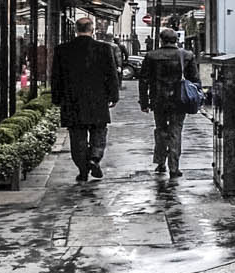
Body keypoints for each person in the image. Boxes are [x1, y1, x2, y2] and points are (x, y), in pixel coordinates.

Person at [51, 15, 120, 181]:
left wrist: (57, 98)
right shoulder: (104, 49)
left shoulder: (62, 49)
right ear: (92, 30)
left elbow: (56, 77)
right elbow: (111, 74)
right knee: (99, 132)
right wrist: (113, 95)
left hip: (72, 100)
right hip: (97, 99)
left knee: (77, 136)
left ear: (76, 30)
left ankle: (82, 170)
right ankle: (94, 158)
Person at [137, 28, 193, 178]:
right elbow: (194, 80)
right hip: (179, 100)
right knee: (176, 131)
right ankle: (174, 167)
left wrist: (144, 101)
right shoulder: (186, 56)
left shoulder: (151, 56)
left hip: (158, 100)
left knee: (161, 130)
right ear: (176, 40)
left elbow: (143, 80)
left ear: (161, 40)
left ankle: (161, 162)